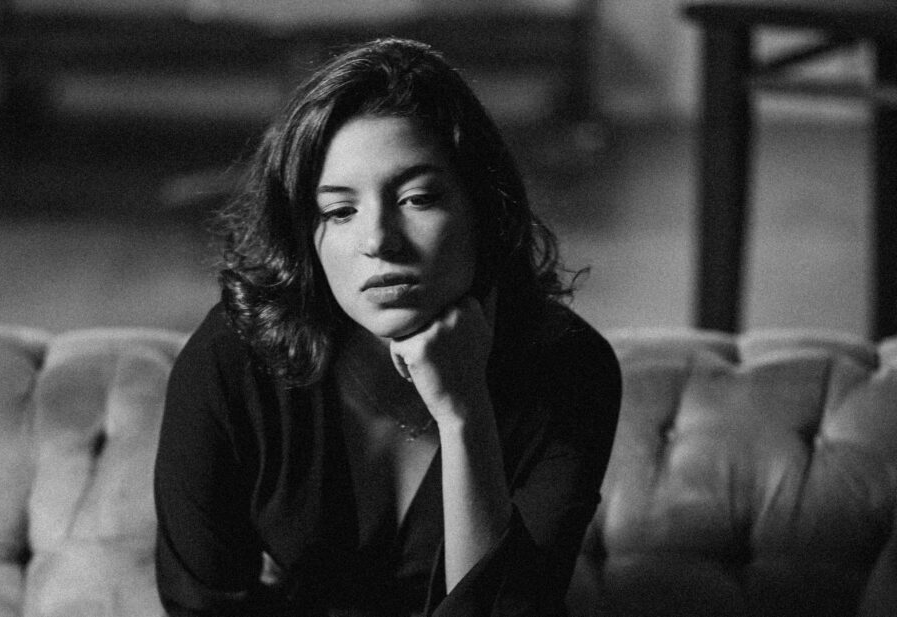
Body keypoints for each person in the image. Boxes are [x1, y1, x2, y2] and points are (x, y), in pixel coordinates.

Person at [154, 38, 621, 617]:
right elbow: (202, 605)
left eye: (417, 197)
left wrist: (464, 411)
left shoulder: (572, 370)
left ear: (482, 206)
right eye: (339, 211)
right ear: (305, 233)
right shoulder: (232, 360)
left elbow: (507, 612)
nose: (378, 241)